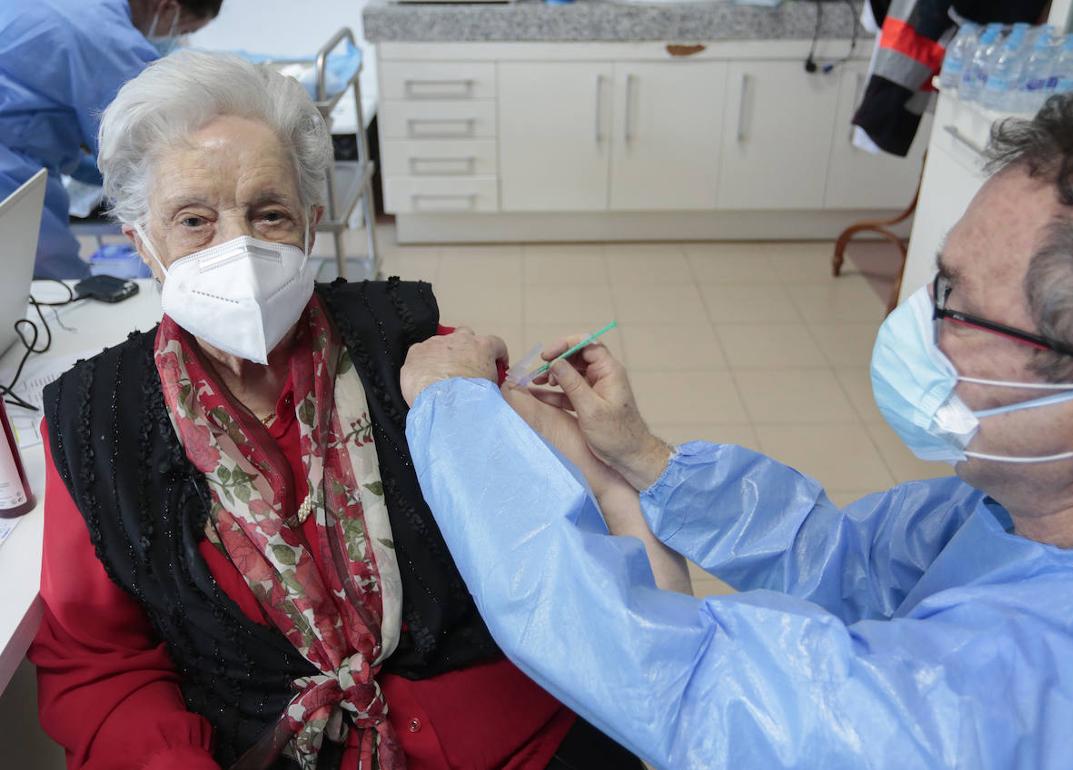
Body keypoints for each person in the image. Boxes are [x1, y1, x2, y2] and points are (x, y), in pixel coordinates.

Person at [396, 65, 1073, 769]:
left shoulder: (1019, 712)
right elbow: (856, 566)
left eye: (955, 304)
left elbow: (686, 683)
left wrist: (454, 414)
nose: (911, 318)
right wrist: (651, 462)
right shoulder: (1046, 506)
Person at [28, 51, 688, 770]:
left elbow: (594, 514)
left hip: (523, 740)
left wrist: (619, 448)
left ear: (311, 226)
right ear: (142, 244)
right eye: (193, 220)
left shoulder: (415, 350)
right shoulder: (99, 425)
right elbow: (100, 661)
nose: (238, 248)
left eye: (268, 213)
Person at [0, 0, 221, 280]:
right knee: (52, 292)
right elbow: (146, 153)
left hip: (19, 164)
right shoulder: (108, 43)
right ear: (167, 8)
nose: (172, 39)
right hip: (9, 178)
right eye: (180, 29)